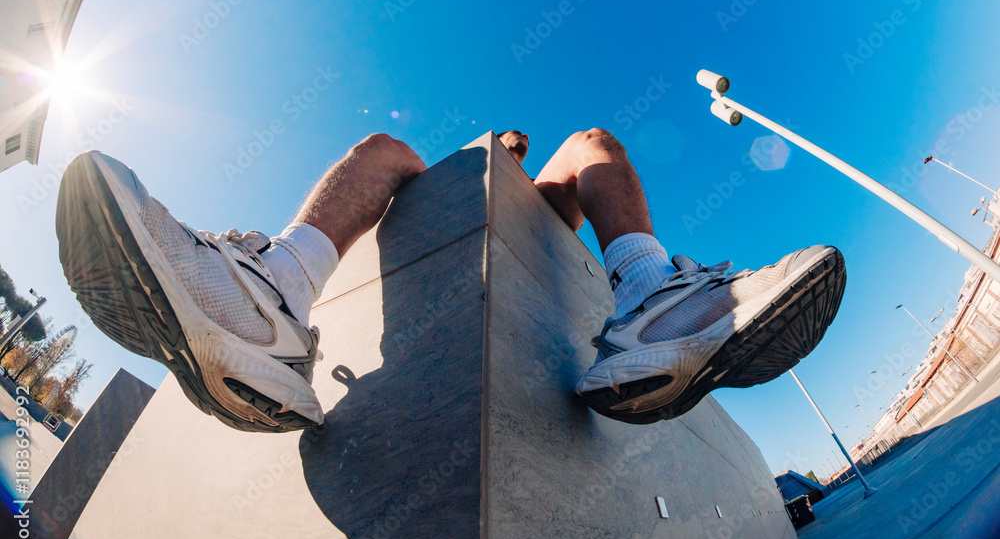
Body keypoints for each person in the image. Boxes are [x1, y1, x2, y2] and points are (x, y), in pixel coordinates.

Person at [55, 129, 845, 432]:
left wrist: (519, 169)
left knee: (594, 138)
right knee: (384, 149)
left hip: (547, 240)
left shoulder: (543, 201)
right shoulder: (435, 174)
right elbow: (413, 167)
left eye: (511, 149)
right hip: (417, 199)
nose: (507, 151)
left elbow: (580, 158)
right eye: (500, 146)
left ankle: (652, 298)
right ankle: (268, 299)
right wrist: (471, 158)